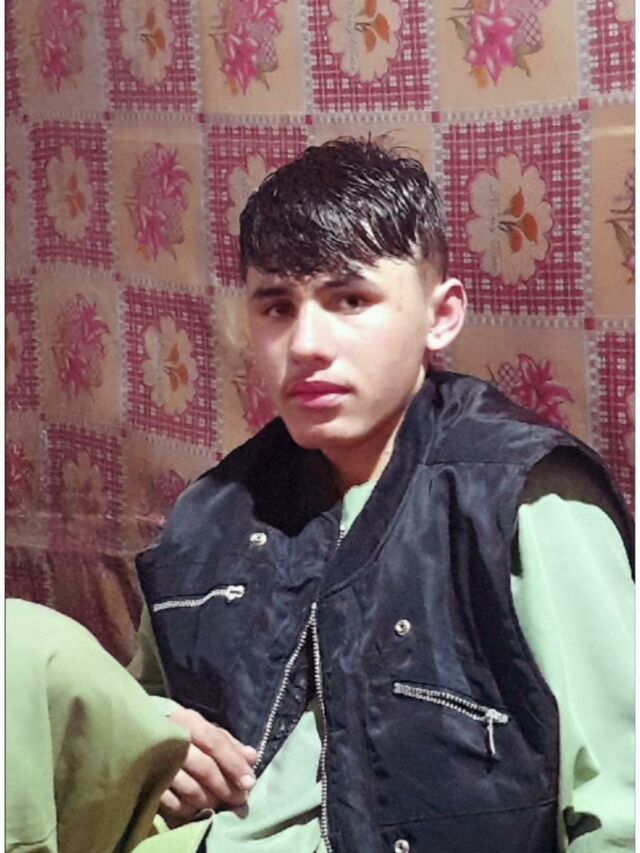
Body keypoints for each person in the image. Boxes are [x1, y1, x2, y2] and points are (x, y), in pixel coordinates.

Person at [7, 139, 633, 853]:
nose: (306, 343)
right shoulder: (215, 510)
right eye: (277, 307)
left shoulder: (522, 496)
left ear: (442, 315)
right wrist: (160, 730)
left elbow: (621, 801)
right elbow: (142, 710)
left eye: (350, 300)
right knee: (19, 646)